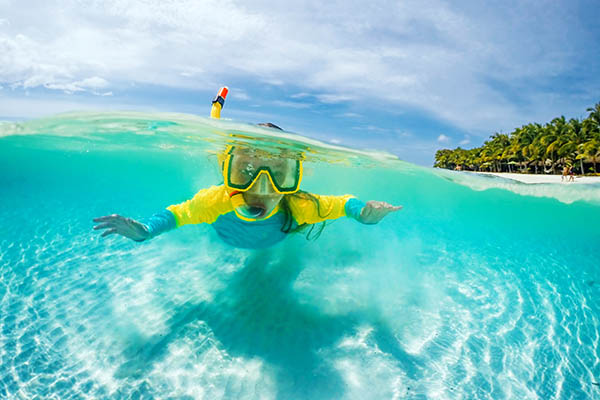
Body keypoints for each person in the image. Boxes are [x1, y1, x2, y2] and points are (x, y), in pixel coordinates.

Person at [92, 88, 402, 249]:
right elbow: (176, 214)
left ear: (295, 177)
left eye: (279, 174)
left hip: (279, 239)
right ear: (227, 170)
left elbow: (343, 203)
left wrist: (364, 214)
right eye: (247, 170)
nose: (262, 188)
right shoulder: (216, 200)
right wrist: (146, 231)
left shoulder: (299, 207)